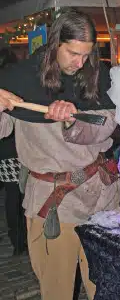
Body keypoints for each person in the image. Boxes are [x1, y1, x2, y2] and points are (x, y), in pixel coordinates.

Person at [0, 9, 120, 300]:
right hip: (54, 202)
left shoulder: (96, 74)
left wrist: (72, 119)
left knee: (105, 286)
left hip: (102, 195)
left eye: (86, 54)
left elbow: (107, 125)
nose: (80, 63)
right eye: (73, 54)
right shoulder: (19, 78)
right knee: (57, 289)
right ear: (56, 43)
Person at [0, 47, 27, 255]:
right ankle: (20, 240)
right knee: (17, 194)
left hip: (6, 148)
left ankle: (17, 240)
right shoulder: (14, 79)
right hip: (14, 147)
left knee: (13, 195)